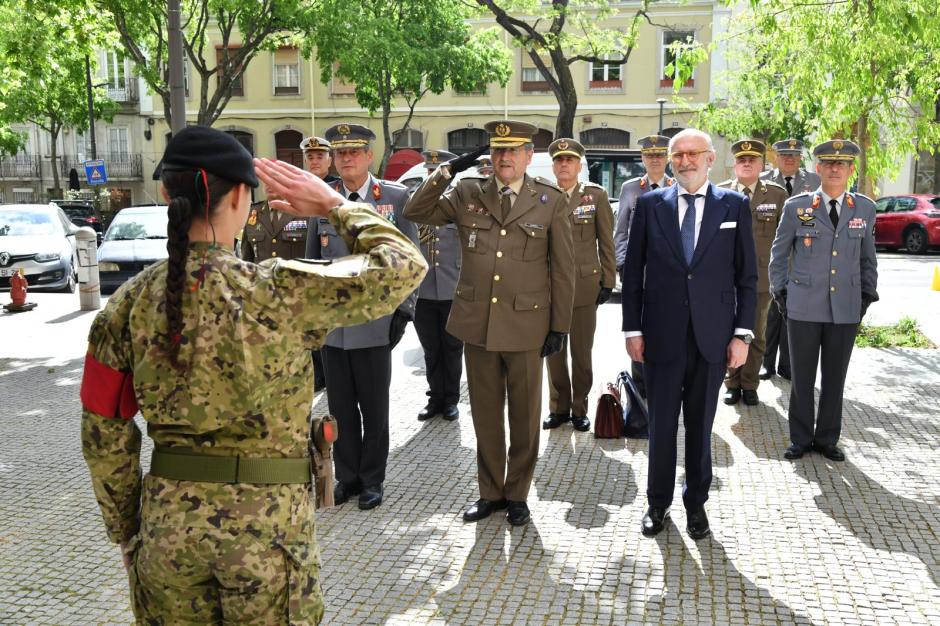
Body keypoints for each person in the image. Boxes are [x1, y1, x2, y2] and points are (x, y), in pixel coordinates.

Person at [79, 126, 426, 623]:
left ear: (164, 194)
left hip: (167, 531)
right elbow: (404, 265)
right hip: (269, 534)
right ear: (242, 197)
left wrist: (128, 530)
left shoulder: (126, 304)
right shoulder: (279, 289)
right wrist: (332, 202)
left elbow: (102, 431)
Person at [405, 120, 575, 526]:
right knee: (484, 414)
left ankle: (517, 493)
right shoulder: (467, 192)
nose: (505, 158)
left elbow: (564, 270)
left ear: (529, 156)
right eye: (498, 150)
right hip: (477, 323)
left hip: (527, 325)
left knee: (524, 417)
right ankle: (490, 493)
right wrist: (447, 170)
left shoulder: (549, 200)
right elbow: (415, 210)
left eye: (514, 150)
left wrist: (560, 327)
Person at [622, 128, 757, 540]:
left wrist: (742, 335)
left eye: (692, 154)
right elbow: (633, 276)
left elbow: (747, 277)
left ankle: (696, 503)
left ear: (710, 158)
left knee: (700, 426)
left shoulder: (734, 205)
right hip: (661, 336)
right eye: (676, 154)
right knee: (661, 425)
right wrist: (632, 328)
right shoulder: (649, 206)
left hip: (712, 337)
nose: (684, 161)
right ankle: (657, 503)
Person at [305, 122, 420, 511]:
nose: (346, 158)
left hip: (374, 324)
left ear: (370, 155)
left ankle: (373, 479)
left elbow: (412, 259)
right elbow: (311, 263)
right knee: (340, 409)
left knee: (374, 408)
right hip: (334, 328)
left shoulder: (394, 197)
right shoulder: (323, 199)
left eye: (354, 151)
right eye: (340, 153)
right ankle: (347, 477)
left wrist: (403, 312)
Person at [769, 139, 878, 463]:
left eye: (841, 164)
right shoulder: (797, 206)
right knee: (802, 378)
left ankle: (827, 438)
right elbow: (778, 254)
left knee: (835, 378)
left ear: (850, 170)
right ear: (818, 168)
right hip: (803, 306)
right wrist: (781, 291)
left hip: (845, 308)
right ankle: (801, 439)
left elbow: (867, 259)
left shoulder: (865, 208)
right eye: (828, 163)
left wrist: (866, 297)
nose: (834, 169)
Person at [543, 138, 616, 432]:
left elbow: (606, 241)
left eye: (569, 160)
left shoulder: (595, 196)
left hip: (585, 286)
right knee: (553, 352)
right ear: (553, 166)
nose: (564, 165)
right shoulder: (542, 195)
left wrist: (609, 279)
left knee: (582, 353)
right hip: (548, 288)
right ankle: (558, 407)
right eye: (559, 160)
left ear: (579, 165)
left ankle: (579, 407)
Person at [718, 140, 787, 407]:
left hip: (760, 277)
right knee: (726, 331)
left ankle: (749, 384)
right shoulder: (720, 193)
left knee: (755, 333)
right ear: (734, 164)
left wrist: (783, 276)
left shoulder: (777, 195)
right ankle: (731, 383)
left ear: (761, 165)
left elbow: (784, 241)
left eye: (752, 160)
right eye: (741, 159)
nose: (747, 163)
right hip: (726, 277)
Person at [614, 135, 675, 398]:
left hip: (670, 276)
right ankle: (639, 391)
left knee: (668, 329)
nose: (655, 159)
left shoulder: (677, 186)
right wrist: (622, 265)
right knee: (636, 330)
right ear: (642, 159)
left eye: (660, 155)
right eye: (649, 155)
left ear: (667, 159)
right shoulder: (630, 188)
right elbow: (621, 232)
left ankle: (666, 385)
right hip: (637, 273)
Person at [760, 138, 821, 381]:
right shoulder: (764, 180)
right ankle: (766, 363)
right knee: (769, 313)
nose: (790, 159)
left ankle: (788, 365)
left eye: (795, 156)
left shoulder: (814, 182)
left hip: (801, 258)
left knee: (794, 314)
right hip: (771, 257)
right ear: (776, 157)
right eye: (785, 155)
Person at [413, 149, 464, 422]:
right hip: (423, 290)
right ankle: (435, 397)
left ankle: (451, 400)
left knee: (453, 348)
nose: (433, 175)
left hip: (452, 288)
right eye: (429, 171)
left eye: (438, 171)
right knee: (431, 348)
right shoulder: (415, 203)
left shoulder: (459, 204)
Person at [301, 135, 336, 392]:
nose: (315, 161)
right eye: (310, 157)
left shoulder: (336, 190)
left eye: (320, 156)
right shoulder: (298, 190)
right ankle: (316, 377)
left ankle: (326, 376)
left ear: (329, 161)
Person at [240, 189, 309, 263]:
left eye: (274, 178)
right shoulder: (253, 212)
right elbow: (247, 260)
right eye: (266, 180)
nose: (268, 184)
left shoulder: (306, 211)